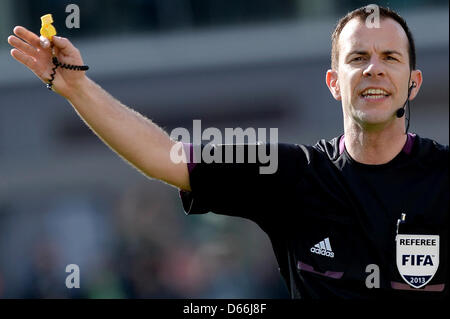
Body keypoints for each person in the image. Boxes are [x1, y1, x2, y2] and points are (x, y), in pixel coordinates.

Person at [8, 5, 448, 299]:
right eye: (357, 58)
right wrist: (77, 87)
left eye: (391, 57)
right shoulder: (293, 174)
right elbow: (166, 157)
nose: (374, 67)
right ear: (333, 83)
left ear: (413, 83)